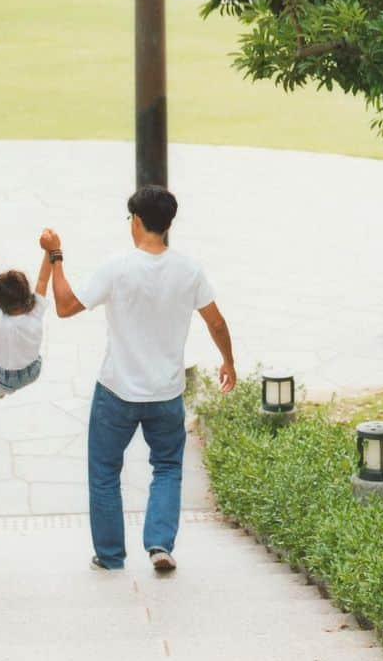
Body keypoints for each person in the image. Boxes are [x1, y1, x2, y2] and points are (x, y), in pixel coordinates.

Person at [40, 186, 236, 574]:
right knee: (167, 467)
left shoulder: (117, 267)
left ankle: (111, 556)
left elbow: (64, 307)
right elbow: (215, 321)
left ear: (137, 221)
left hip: (117, 390)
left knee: (104, 472)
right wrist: (228, 360)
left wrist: (56, 256)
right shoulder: (189, 270)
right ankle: (160, 544)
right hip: (166, 392)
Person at [0, 242, 50, 398]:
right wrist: (50, 250)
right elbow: (43, 280)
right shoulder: (37, 309)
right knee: (6, 357)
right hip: (34, 369)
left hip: (7, 378)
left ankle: (1, 390)